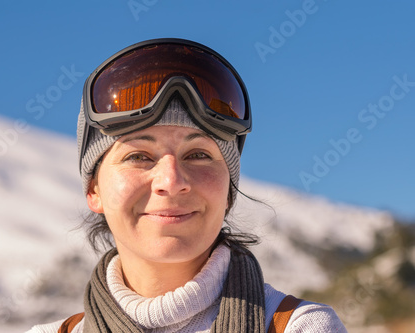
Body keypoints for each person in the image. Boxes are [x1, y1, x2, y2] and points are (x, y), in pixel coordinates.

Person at [26, 38, 347, 333]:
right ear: (94, 189)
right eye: (138, 155)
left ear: (228, 191)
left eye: (198, 154)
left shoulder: (298, 327)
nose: (172, 181)